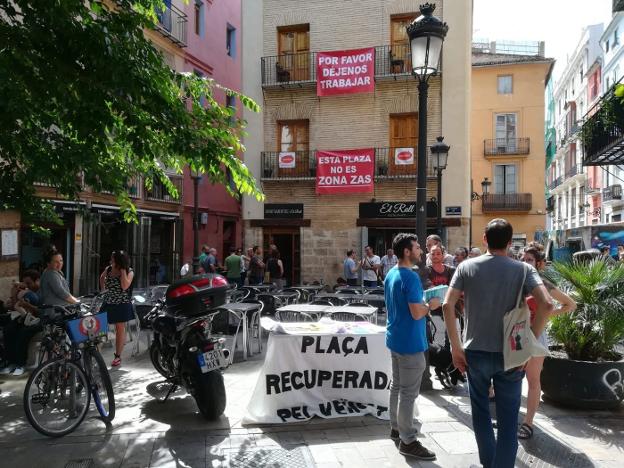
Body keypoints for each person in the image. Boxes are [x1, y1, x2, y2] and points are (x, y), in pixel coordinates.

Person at [442, 219, 553, 468]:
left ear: (484, 239)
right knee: (508, 419)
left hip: (475, 351)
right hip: (511, 354)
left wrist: (455, 346)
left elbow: (448, 305)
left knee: (480, 414)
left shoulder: (466, 267)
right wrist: (529, 345)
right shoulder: (524, 270)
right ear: (510, 242)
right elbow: (546, 305)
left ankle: (487, 464)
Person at [385, 233, 436, 461]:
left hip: (396, 338)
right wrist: (431, 305)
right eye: (417, 248)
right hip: (410, 343)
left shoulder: (391, 274)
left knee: (397, 386)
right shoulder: (411, 277)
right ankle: (408, 440)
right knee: (408, 393)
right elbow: (417, 312)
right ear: (407, 252)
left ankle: (396, 428)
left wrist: (421, 302)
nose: (421, 251)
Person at [518, 245, 576, 440]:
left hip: (536, 337)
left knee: (533, 381)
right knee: (509, 379)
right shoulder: (516, 280)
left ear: (539, 264)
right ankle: (510, 418)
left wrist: (547, 315)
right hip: (515, 336)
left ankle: (528, 423)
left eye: (529, 260)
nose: (525, 263)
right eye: (523, 259)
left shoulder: (543, 284)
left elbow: (570, 304)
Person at [1, 270, 42, 376]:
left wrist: (27, 305)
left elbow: (41, 311)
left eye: (29, 283)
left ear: (37, 281)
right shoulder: (28, 292)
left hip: (39, 320)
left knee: (23, 332)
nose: (26, 286)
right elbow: (15, 306)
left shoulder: (43, 291)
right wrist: (13, 296)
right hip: (27, 318)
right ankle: (11, 362)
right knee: (9, 329)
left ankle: (21, 364)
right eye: (25, 283)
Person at [100, 251, 135, 367]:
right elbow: (102, 277)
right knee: (99, 326)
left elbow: (125, 286)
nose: (111, 261)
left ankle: (117, 356)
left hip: (122, 304)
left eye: (113, 259)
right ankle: (96, 353)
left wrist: (123, 271)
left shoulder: (129, 272)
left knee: (120, 329)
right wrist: (103, 290)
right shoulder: (109, 269)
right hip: (108, 302)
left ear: (119, 261)